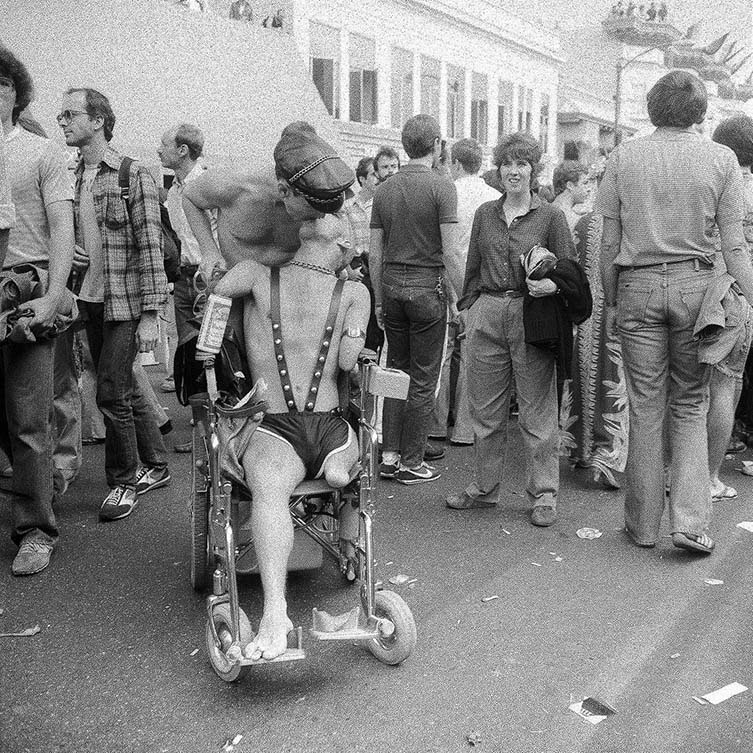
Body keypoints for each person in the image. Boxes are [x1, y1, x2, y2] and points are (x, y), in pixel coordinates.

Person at [204, 121, 369, 660]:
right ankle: (342, 472)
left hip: (274, 424)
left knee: (271, 491)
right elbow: (349, 362)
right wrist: (355, 337)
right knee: (353, 438)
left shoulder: (254, 274)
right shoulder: (354, 292)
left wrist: (209, 348)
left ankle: (275, 615)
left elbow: (212, 308)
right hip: (331, 425)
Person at [596, 70, 753, 555]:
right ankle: (689, 522)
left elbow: (608, 242)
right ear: (702, 112)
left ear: (651, 108)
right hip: (697, 289)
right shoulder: (721, 159)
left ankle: (641, 526)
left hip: (638, 286)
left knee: (646, 406)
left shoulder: (623, 157)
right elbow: (734, 245)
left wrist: (614, 300)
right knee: (690, 403)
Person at [445, 132, 576, 526]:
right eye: (507, 164)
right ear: (498, 169)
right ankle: (485, 489)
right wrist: (468, 307)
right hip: (487, 310)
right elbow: (471, 267)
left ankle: (544, 493)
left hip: (530, 314)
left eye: (522, 164)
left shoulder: (550, 216)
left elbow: (570, 270)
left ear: (533, 171)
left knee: (536, 410)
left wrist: (552, 284)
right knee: (484, 410)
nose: (513, 171)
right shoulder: (486, 213)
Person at [59, 87, 170, 522]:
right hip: (86, 298)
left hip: (122, 303)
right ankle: (156, 464)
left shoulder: (131, 173)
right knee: (121, 387)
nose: (63, 121)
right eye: (61, 115)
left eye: (70, 114)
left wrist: (151, 315)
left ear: (98, 121)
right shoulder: (71, 175)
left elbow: (150, 246)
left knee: (110, 391)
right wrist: (74, 253)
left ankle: (124, 481)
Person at [1, 46, 76, 575]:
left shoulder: (41, 152)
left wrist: (53, 295)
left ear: (14, 92)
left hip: (25, 289)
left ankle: (35, 530)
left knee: (29, 421)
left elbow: (63, 228)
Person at [370, 114, 463, 485]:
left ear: (405, 145)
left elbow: (375, 254)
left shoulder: (385, 189)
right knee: (424, 379)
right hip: (428, 287)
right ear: (438, 144)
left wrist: (378, 299)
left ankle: (389, 456)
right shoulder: (442, 187)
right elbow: (451, 253)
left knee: (396, 371)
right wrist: (464, 296)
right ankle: (411, 460)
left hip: (392, 286)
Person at [429, 138, 499, 448]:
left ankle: (436, 423)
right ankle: (465, 428)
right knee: (473, 354)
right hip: (481, 281)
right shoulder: (495, 198)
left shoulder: (447, 194)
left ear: (456, 163)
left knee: (442, 353)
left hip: (445, 276)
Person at [564, 156, 628, 489]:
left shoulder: (582, 224)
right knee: (616, 379)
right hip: (619, 311)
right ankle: (609, 452)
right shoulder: (630, 222)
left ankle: (582, 448)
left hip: (584, 316)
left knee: (584, 373)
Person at [157, 122, 217, 448]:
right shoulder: (173, 191)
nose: (158, 150)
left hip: (208, 279)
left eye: (164, 145)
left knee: (212, 355)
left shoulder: (206, 185)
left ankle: (217, 433)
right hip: (184, 279)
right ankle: (202, 433)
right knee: (189, 353)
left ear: (182, 150)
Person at [705, 115, 753, 501]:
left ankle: (680, 471)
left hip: (699, 285)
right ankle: (708, 476)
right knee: (726, 384)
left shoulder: (712, 177)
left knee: (688, 388)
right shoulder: (745, 185)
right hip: (738, 293)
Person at [344, 155, 383, 353]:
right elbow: (340, 242)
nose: (378, 178)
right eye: (373, 174)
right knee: (358, 322)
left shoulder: (381, 205)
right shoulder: (348, 208)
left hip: (378, 267)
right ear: (362, 179)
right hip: (358, 269)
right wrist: (348, 270)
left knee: (378, 329)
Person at [552, 160, 590, 235]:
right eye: (584, 183)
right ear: (570, 185)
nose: (589, 189)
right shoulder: (570, 217)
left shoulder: (553, 207)